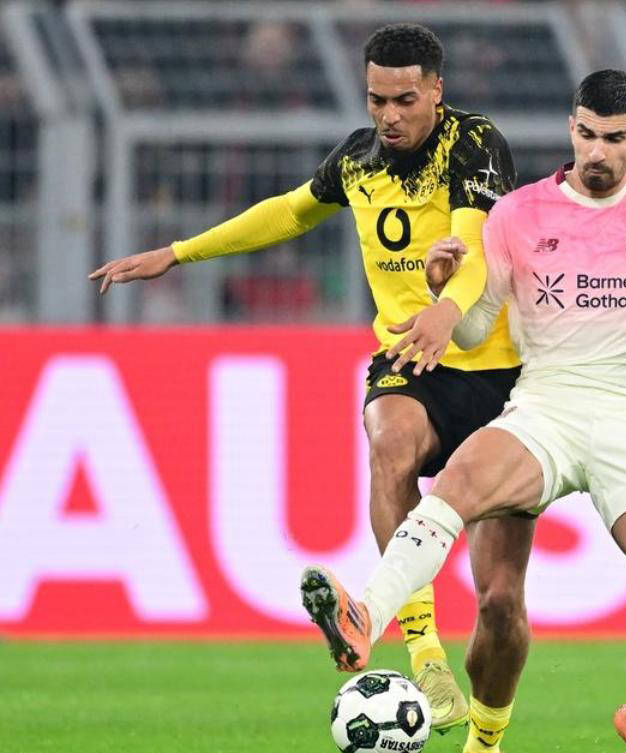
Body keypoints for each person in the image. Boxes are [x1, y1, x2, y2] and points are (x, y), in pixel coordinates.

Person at [298, 69, 626, 753]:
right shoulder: (518, 215)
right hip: (547, 405)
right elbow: (475, 330)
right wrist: (444, 289)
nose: (597, 152)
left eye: (614, 139)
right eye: (587, 134)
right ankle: (366, 615)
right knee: (454, 488)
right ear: (572, 128)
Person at [88, 23, 536, 746]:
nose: (388, 115)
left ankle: (486, 739)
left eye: (404, 99)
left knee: (501, 603)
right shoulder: (358, 160)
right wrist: (179, 252)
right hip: (411, 359)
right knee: (389, 439)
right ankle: (424, 657)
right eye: (376, 99)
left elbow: (474, 244)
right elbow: (291, 211)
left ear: (437, 91)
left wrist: (447, 310)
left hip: (498, 372)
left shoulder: (474, 142)